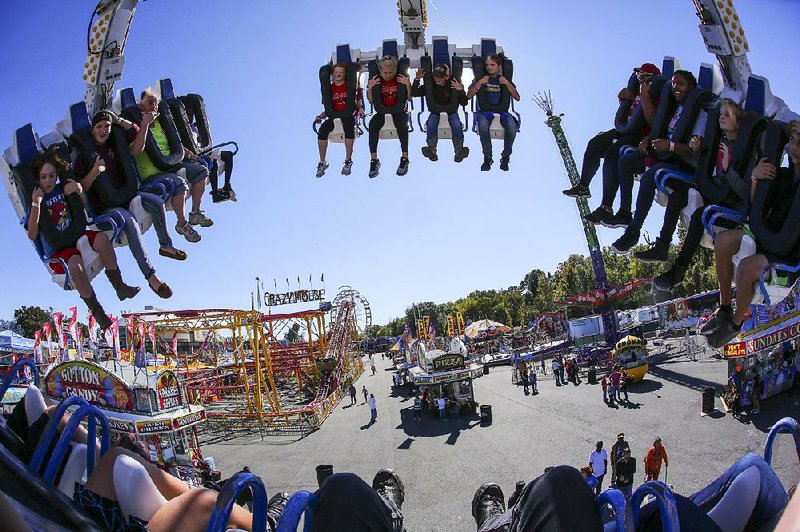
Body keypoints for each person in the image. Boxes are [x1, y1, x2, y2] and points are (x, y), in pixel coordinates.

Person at [704, 121, 800, 347]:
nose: (795, 147)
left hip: (787, 252)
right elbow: (757, 203)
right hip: (766, 235)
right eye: (793, 141)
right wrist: (756, 178)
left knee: (746, 267)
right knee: (724, 241)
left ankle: (735, 325)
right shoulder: (782, 176)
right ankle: (725, 307)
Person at [26, 151, 137, 330]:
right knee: (76, 264)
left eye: (52, 176)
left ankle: (120, 286)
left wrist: (78, 190)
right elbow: (32, 234)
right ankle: (98, 312)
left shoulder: (62, 188)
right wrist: (36, 203)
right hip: (59, 248)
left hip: (76, 234)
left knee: (102, 239)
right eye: (44, 177)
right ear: (38, 179)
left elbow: (83, 206)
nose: (48, 181)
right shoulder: (36, 198)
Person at [74, 110, 176, 299]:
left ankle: (165, 245)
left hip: (128, 195)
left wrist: (119, 120)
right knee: (129, 220)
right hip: (106, 209)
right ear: (92, 130)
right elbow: (82, 188)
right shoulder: (84, 157)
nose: (103, 130)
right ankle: (151, 276)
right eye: (99, 127)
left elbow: (136, 132)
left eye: (107, 126)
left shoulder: (115, 143)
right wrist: (95, 170)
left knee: (155, 201)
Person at [654, 99, 753, 287]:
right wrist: (699, 151)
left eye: (727, 115)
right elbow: (706, 170)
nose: (722, 117)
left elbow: (746, 192)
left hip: (731, 205)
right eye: (721, 114)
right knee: (678, 194)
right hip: (712, 192)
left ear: (738, 122)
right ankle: (662, 245)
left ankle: (679, 270)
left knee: (700, 214)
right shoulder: (719, 142)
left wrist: (727, 169)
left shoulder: (747, 151)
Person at [611, 70, 709, 254]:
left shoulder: (699, 114)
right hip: (663, 154)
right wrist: (649, 137)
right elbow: (663, 127)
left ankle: (633, 231)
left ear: (690, 87)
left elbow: (692, 148)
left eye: (680, 83)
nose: (675, 87)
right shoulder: (674, 107)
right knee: (626, 161)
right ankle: (624, 212)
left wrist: (670, 146)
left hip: (682, 162)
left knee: (650, 177)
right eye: (673, 83)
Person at [567, 63, 660, 200]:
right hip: (625, 129)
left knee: (613, 154)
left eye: (644, 75)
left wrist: (645, 96)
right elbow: (630, 111)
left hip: (640, 133)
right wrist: (622, 99)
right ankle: (583, 186)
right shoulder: (636, 90)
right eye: (638, 75)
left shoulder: (655, 93)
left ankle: (606, 205)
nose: (640, 78)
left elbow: (654, 121)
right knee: (594, 144)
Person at [131, 88, 209, 242]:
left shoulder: (160, 123)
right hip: (152, 174)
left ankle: (195, 213)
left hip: (170, 163)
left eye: (156, 103)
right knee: (179, 183)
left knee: (201, 171)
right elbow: (135, 151)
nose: (154, 106)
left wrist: (189, 154)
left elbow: (174, 144)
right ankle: (182, 224)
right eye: (150, 102)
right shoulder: (136, 126)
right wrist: (145, 124)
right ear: (141, 106)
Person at [467, 54, 521, 171]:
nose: (489, 67)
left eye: (492, 65)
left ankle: (506, 156)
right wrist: (480, 82)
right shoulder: (481, 78)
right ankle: (488, 157)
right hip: (485, 112)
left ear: (499, 66)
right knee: (483, 125)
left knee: (511, 127)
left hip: (502, 112)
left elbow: (517, 97)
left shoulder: (503, 79)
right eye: (487, 65)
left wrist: (506, 83)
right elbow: (469, 95)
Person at [411, 63, 469, 162]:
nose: (437, 79)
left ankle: (459, 150)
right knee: (431, 123)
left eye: (440, 77)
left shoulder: (454, 85)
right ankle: (431, 149)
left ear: (446, 77)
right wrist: (417, 79)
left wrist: (460, 90)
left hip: (451, 112)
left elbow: (464, 103)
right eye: (435, 76)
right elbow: (414, 93)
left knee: (456, 123)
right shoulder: (431, 86)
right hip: (435, 111)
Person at [315, 61, 363, 177]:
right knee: (322, 130)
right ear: (333, 74)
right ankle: (322, 162)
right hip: (333, 115)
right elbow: (328, 108)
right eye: (336, 72)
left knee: (349, 127)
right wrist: (321, 116)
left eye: (341, 72)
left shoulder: (349, 86)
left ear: (345, 74)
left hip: (347, 115)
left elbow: (356, 102)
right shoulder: (329, 89)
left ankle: (348, 160)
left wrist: (360, 109)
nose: (339, 74)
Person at [366, 55, 411, 178]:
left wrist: (407, 84)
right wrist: (370, 87)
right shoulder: (377, 80)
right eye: (385, 72)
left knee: (402, 124)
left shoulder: (400, 79)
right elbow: (370, 101)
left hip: (399, 111)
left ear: (396, 70)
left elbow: (410, 98)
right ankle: (374, 160)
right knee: (373, 125)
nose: (388, 74)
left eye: (391, 72)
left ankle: (405, 158)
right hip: (381, 111)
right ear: (380, 71)